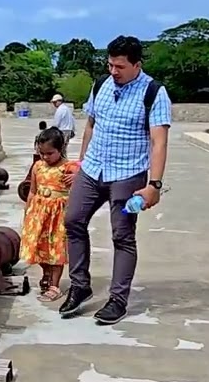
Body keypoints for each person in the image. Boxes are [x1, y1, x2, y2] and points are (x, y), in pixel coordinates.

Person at [60, 35, 172, 325]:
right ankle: (80, 286)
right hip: (93, 169)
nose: (113, 71)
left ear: (137, 64)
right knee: (73, 220)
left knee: (122, 235)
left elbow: (159, 142)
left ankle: (118, 299)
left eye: (120, 66)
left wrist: (154, 185)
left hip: (127, 175)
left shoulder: (153, 92)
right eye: (110, 65)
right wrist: (81, 163)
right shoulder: (101, 84)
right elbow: (90, 126)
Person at [19, 127, 79, 302]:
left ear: (61, 149)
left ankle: (54, 285)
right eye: (42, 153)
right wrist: (27, 211)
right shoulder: (37, 166)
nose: (45, 157)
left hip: (59, 216)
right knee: (39, 246)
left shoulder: (69, 168)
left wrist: (77, 177)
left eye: (50, 153)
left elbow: (83, 186)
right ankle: (46, 272)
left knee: (56, 249)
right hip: (38, 214)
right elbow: (32, 191)